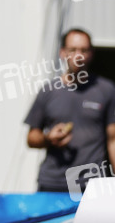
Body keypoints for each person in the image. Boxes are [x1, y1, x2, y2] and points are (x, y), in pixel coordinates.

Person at [25, 28, 115, 194]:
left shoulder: (107, 90)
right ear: (63, 53)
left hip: (92, 186)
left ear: (91, 54)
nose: (78, 56)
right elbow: (31, 138)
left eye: (84, 50)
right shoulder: (49, 91)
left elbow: (113, 140)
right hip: (52, 183)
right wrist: (48, 138)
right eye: (72, 50)